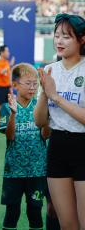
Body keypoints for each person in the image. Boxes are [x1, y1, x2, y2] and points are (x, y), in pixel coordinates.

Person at [34, 13, 85, 230]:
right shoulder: (49, 69)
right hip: (57, 147)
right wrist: (45, 94)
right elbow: (39, 121)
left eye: (66, 36)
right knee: (67, 225)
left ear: (82, 39)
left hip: (82, 146)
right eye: (56, 36)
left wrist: (56, 96)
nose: (59, 41)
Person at [0, 63, 48, 230]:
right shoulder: (6, 107)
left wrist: (48, 115)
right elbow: (10, 136)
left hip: (37, 169)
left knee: (35, 212)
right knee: (12, 212)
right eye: (28, 83)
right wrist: (13, 113)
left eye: (35, 83)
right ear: (15, 85)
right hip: (14, 170)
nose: (32, 87)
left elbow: (45, 135)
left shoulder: (40, 106)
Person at [0, 45, 13, 130]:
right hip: (0, 88)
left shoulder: (7, 62)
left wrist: (11, 86)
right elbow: (1, 72)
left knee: (7, 106)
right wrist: (10, 65)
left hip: (7, 87)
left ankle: (5, 123)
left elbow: (8, 75)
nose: (8, 53)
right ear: (2, 53)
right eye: (7, 51)